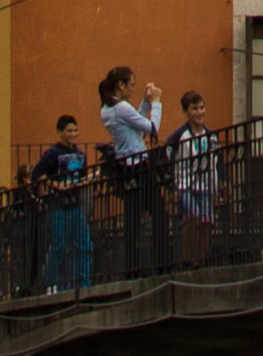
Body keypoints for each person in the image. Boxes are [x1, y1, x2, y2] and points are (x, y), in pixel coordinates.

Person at [99, 65, 169, 276]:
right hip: (139, 166)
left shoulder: (107, 109)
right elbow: (151, 128)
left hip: (126, 168)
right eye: (131, 85)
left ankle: (132, 267)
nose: (132, 89)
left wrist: (144, 102)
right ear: (120, 85)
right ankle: (162, 264)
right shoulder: (121, 108)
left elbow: (135, 126)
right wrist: (156, 102)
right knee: (159, 216)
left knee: (133, 220)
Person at [31, 115, 98, 291]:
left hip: (75, 205)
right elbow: (36, 175)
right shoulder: (52, 154)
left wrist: (88, 181)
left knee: (85, 245)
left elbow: (81, 178)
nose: (73, 134)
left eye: (75, 130)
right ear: (60, 132)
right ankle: (51, 282)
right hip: (56, 206)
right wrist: (56, 185)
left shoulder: (80, 155)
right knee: (59, 245)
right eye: (69, 131)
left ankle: (83, 283)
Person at [169, 86, 222, 264]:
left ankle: (201, 257)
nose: (199, 112)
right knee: (193, 216)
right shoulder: (179, 136)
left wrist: (221, 182)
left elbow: (217, 162)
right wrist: (171, 188)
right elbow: (167, 159)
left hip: (204, 184)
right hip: (184, 183)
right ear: (186, 112)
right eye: (194, 109)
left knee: (206, 220)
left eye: (201, 107)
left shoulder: (211, 136)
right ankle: (187, 257)